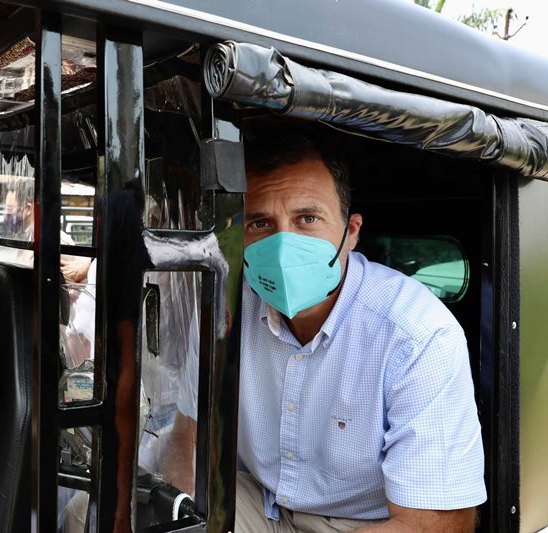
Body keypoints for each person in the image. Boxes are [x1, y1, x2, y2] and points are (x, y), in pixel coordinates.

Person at [165, 120, 486, 532]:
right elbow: (189, 438)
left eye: (308, 219)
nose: (283, 245)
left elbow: (435, 524)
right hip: (257, 503)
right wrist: (177, 517)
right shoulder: (225, 308)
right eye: (260, 223)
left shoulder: (416, 333)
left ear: (351, 232)